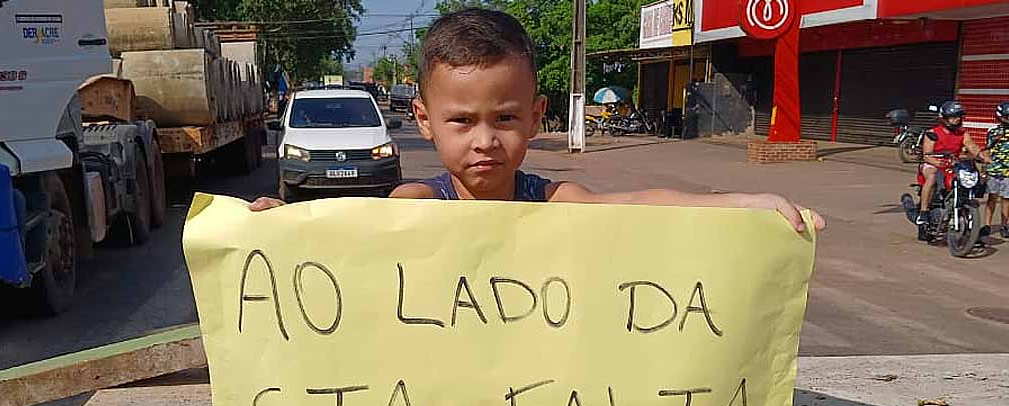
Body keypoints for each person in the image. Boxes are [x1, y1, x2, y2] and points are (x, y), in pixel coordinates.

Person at [249, 9, 825, 235]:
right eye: (461, 120)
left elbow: (638, 203)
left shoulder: (551, 200)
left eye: (504, 118)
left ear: (536, 116)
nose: (485, 140)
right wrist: (283, 226)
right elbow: (346, 228)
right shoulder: (418, 203)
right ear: (424, 121)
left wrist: (742, 203)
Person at [917, 101, 989, 228]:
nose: (957, 119)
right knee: (932, 176)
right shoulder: (932, 133)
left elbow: (971, 146)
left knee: (972, 175)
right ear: (944, 118)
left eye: (959, 116)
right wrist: (936, 161)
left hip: (953, 164)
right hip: (933, 164)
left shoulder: (963, 133)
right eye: (953, 116)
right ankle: (923, 212)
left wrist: (982, 155)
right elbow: (927, 155)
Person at [984, 101, 1009, 239]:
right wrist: (985, 167)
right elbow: (987, 149)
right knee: (991, 198)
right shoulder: (993, 131)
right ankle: (987, 225)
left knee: (1007, 199)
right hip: (993, 170)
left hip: (1008, 172)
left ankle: (1004, 225)